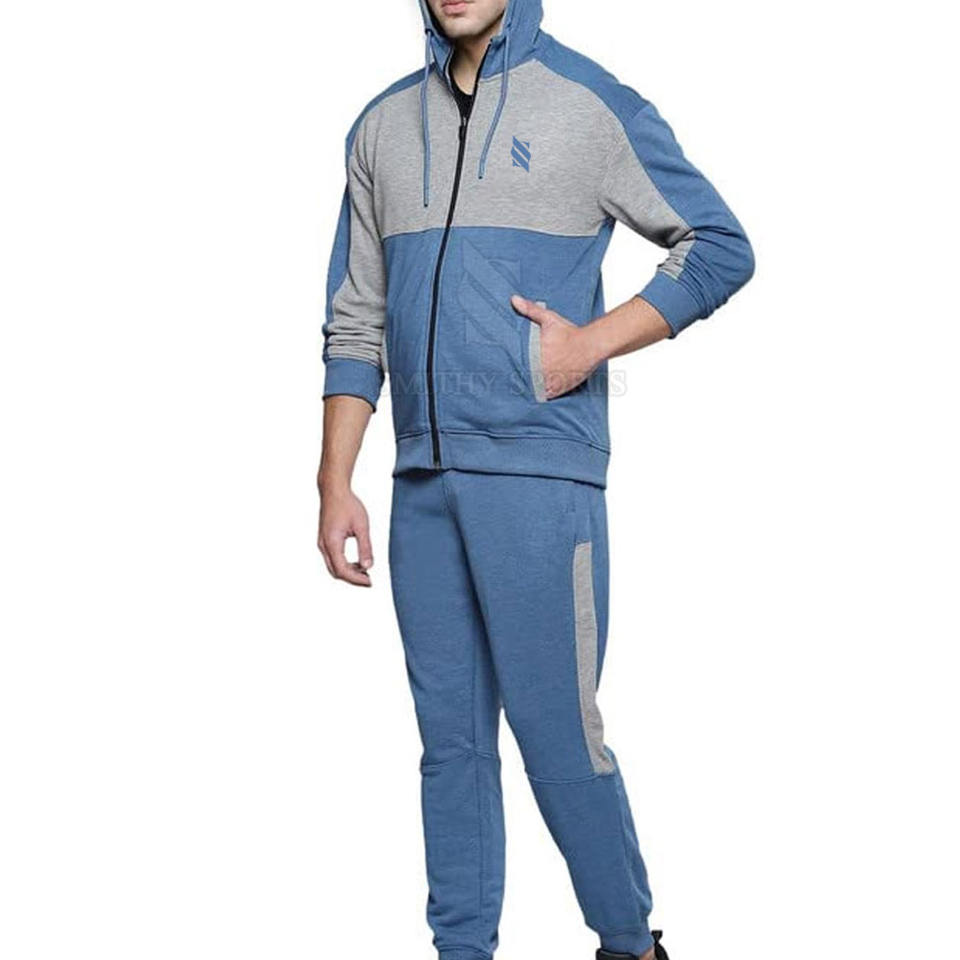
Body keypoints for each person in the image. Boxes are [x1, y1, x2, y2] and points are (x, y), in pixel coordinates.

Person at [317, 0, 754, 957]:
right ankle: (461, 949)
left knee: (557, 733)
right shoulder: (380, 127)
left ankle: (629, 943)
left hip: (539, 477)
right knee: (452, 747)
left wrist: (589, 345)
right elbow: (356, 316)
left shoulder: (590, 104)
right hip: (422, 479)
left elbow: (720, 246)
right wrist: (335, 481)